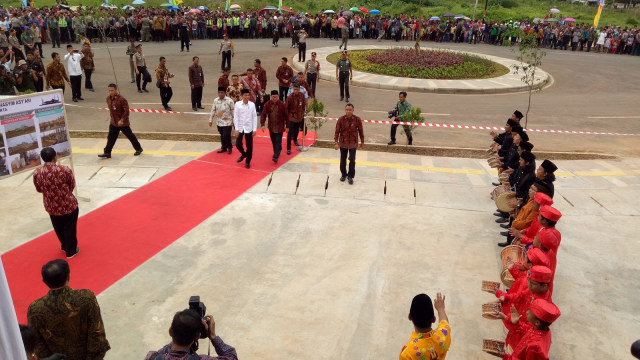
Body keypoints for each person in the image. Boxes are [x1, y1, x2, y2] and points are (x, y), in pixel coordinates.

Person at [27, 259, 110, 359]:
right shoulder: (86, 297)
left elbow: (38, 344)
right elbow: (97, 333)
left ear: (44, 281)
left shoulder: (35, 308)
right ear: (68, 276)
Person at [33, 147, 80, 258]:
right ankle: (71, 250)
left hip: (51, 206)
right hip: (68, 204)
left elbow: (38, 189)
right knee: (69, 227)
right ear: (55, 157)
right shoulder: (64, 169)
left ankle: (64, 245)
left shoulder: (37, 172)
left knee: (58, 226)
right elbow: (72, 184)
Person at [144, 309, 237, 360]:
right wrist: (212, 336)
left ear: (170, 332)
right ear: (197, 337)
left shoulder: (151, 357)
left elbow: (166, 351)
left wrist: (184, 326)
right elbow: (232, 356)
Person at [399, 293, 451, 360]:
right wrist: (440, 309)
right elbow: (444, 322)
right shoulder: (443, 336)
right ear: (433, 319)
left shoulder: (407, 353)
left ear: (409, 317)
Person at [98, 83, 143, 159]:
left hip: (122, 123)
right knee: (111, 137)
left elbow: (126, 111)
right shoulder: (108, 99)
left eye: (112, 90)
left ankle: (138, 149)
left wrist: (122, 120)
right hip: (113, 122)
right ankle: (107, 152)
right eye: (109, 90)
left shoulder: (122, 99)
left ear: (116, 90)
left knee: (130, 136)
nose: (110, 92)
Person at [334, 103, 364, 185]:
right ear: (345, 110)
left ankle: (350, 176)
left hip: (353, 143)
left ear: (353, 110)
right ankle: (343, 174)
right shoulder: (341, 119)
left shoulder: (357, 119)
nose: (348, 111)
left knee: (352, 160)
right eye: (347, 110)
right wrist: (336, 142)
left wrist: (362, 141)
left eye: (350, 110)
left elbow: (361, 131)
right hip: (343, 143)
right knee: (343, 160)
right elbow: (337, 131)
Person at [261, 90, 288, 163]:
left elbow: (286, 116)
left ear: (278, 97)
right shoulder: (267, 104)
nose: (274, 99)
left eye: (276, 97)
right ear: (271, 97)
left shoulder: (282, 105)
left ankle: (275, 156)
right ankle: (278, 150)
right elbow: (263, 115)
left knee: (278, 141)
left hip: (280, 127)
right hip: (271, 127)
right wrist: (262, 124)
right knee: (273, 141)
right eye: (273, 97)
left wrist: (287, 127)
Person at [234, 89, 257, 169]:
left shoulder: (252, 105)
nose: (247, 97)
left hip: (249, 127)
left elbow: (254, 117)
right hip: (240, 127)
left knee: (249, 146)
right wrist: (236, 129)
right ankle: (244, 154)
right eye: (245, 95)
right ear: (241, 96)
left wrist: (254, 129)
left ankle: (248, 161)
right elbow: (236, 117)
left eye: (248, 95)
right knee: (238, 144)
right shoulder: (237, 104)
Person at [210, 86, 235, 155]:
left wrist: (235, 121)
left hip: (228, 121)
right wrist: (210, 120)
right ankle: (224, 147)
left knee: (226, 135)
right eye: (219, 93)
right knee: (222, 135)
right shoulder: (215, 100)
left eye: (222, 92)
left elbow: (233, 111)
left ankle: (229, 147)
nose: (221, 94)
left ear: (225, 93)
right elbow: (213, 110)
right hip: (219, 121)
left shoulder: (229, 101)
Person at [286, 84, 307, 154]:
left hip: (299, 117)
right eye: (295, 89)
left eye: (297, 89)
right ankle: (288, 148)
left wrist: (303, 113)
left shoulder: (302, 96)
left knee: (297, 130)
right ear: (293, 89)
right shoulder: (290, 97)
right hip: (292, 117)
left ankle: (295, 140)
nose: (296, 91)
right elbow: (286, 108)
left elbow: (303, 105)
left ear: (299, 89)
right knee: (290, 132)